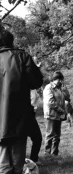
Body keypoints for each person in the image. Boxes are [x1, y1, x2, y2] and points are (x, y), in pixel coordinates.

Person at [0, 29, 43, 174]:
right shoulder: (22, 56)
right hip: (19, 121)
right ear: (12, 41)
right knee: (18, 167)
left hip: (1, 124)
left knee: (3, 166)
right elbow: (36, 82)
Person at [43, 71, 66, 156]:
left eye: (62, 80)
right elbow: (50, 102)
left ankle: (54, 154)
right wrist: (61, 110)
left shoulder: (60, 88)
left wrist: (64, 89)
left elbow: (66, 98)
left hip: (58, 115)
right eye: (60, 80)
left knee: (57, 136)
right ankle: (47, 154)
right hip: (51, 115)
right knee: (50, 135)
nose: (61, 82)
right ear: (55, 79)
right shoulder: (48, 88)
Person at [28, 89, 43, 166]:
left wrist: (34, 107)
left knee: (37, 138)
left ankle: (33, 159)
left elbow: (37, 98)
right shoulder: (20, 85)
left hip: (31, 114)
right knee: (20, 141)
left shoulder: (33, 89)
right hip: (22, 115)